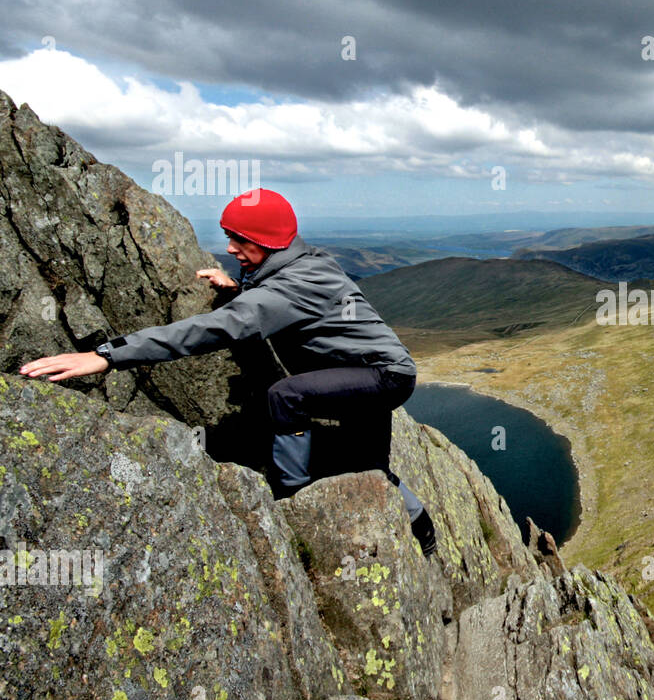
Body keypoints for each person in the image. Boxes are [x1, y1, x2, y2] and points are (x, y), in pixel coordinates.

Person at [18, 188, 439, 557]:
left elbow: (207, 330)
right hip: (377, 374)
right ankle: (422, 525)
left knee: (285, 396)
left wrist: (109, 355)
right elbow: (279, 298)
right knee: (369, 468)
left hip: (379, 378)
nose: (232, 248)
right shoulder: (308, 262)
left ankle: (292, 494)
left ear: (265, 242)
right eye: (228, 238)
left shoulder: (294, 283)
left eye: (239, 240)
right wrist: (240, 291)